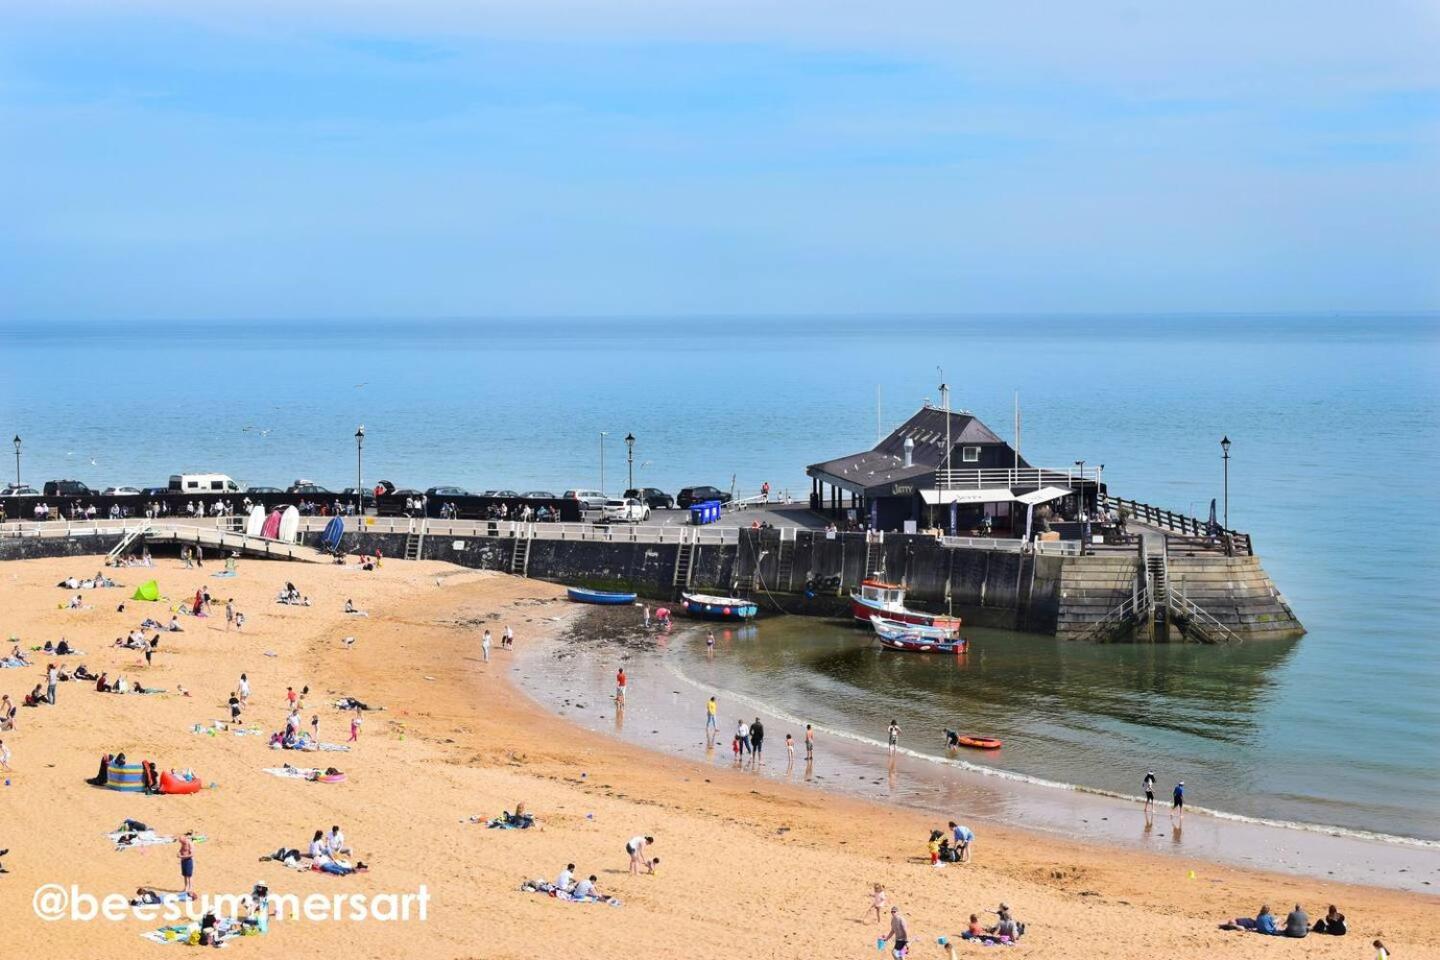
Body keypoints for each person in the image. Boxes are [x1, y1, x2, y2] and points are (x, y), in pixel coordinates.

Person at [178, 832, 195, 897]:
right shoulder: (183, 843)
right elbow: (181, 849)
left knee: (189, 875)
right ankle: (186, 887)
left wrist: (182, 857)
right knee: (185, 875)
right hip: (183, 861)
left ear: (184, 839)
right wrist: (179, 853)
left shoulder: (190, 844)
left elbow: (192, 854)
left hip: (188, 861)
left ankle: (190, 888)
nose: (181, 843)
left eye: (182, 842)